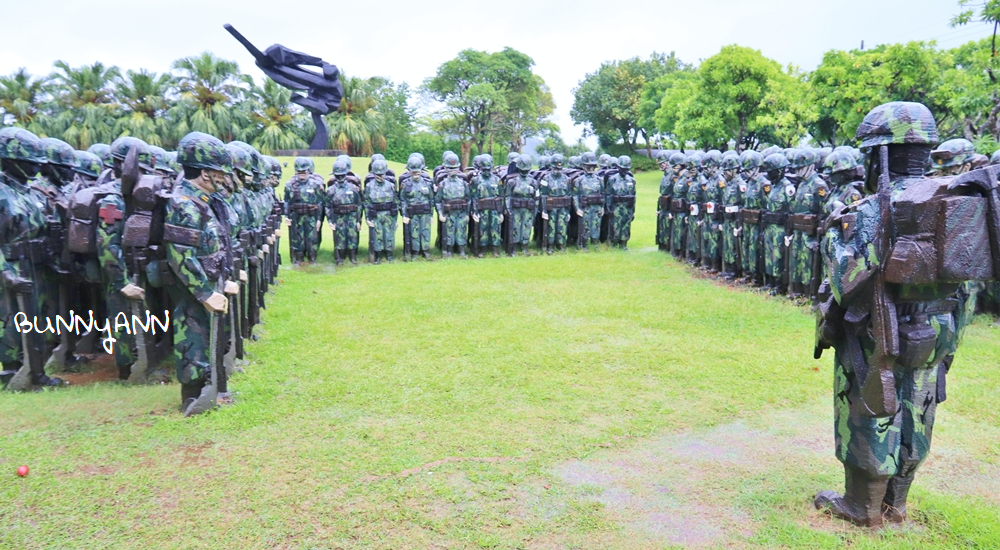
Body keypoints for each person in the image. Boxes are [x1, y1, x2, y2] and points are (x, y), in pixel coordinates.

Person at [814, 101, 996, 527]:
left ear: (878, 153)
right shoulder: (955, 200)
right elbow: (969, 281)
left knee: (868, 409)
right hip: (940, 328)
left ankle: (862, 507)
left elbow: (846, 280)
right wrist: (952, 338)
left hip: (879, 331)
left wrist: (833, 240)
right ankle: (897, 506)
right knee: (918, 408)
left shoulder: (871, 209)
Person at [162, 132, 234, 415]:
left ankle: (209, 392)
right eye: (219, 173)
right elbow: (180, 255)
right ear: (205, 173)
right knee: (192, 337)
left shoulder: (203, 201)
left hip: (209, 281)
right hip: (194, 288)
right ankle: (192, 399)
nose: (224, 178)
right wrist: (204, 293)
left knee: (206, 338)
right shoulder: (184, 204)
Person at [0, 128, 65, 389]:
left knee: (36, 320)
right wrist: (6, 274)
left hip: (36, 265)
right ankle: (12, 372)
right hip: (12, 265)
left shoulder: (32, 192)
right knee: (11, 319)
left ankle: (36, 371)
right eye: (30, 161)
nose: (36, 166)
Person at [787, 149, 828, 300]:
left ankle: (809, 293)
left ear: (810, 166)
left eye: (800, 167)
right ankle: (798, 291)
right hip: (799, 228)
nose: (798, 171)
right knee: (797, 259)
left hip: (810, 231)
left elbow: (824, 211)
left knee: (808, 262)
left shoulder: (818, 185)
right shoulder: (802, 184)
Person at [760, 153, 793, 294]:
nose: (768, 174)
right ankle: (771, 282)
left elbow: (791, 210)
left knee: (778, 255)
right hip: (769, 227)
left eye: (771, 171)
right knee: (769, 254)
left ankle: (779, 285)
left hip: (780, 228)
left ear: (779, 170)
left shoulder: (787, 187)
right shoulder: (773, 186)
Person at [284, 157, 324, 264]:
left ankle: (312, 258)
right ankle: (299, 259)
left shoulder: (315, 184)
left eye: (304, 171)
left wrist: (319, 219)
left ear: (308, 171)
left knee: (312, 238)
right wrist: (286, 216)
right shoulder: (289, 185)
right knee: (297, 238)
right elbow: (286, 201)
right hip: (296, 217)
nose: (302, 174)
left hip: (311, 216)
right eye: (299, 172)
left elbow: (320, 202)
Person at [325, 159, 362, 265]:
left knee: (352, 237)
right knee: (339, 238)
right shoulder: (331, 190)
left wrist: (358, 220)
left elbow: (359, 204)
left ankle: (353, 257)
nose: (340, 177)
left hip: (351, 217)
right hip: (338, 217)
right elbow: (327, 206)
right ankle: (339, 258)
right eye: (338, 175)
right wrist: (330, 221)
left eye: (342, 175)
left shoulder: (353, 188)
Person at [738, 150, 766, 285]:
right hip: (748, 221)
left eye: (749, 169)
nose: (746, 173)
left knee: (755, 249)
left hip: (758, 223)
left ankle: (756, 277)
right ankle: (748, 273)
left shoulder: (763, 184)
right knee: (747, 247)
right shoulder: (749, 183)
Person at [363, 159, 399, 263]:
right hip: (376, 215)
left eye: (382, 174)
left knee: (389, 235)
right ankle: (378, 256)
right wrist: (368, 218)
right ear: (374, 174)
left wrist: (395, 219)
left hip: (388, 215)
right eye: (378, 174)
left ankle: (389, 254)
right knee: (377, 235)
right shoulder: (369, 186)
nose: (380, 176)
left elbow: (396, 202)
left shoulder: (391, 186)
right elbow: (366, 203)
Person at [470, 154, 503, 257]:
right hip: (482, 209)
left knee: (495, 228)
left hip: (495, 209)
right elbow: (474, 197)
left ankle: (496, 250)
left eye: (489, 169)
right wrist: (474, 211)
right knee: (483, 229)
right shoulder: (476, 180)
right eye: (484, 169)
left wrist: (501, 212)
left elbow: (502, 196)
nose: (487, 172)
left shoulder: (498, 180)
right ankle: (482, 249)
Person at [539, 154, 573, 254]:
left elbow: (569, 195)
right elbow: (543, 195)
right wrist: (543, 210)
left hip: (563, 207)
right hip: (551, 207)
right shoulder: (545, 179)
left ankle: (562, 245)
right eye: (555, 168)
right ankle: (550, 246)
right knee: (551, 226)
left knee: (562, 226)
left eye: (559, 168)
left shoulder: (566, 179)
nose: (557, 170)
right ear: (551, 167)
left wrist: (568, 211)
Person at [720, 151, 745, 279]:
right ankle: (728, 268)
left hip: (735, 220)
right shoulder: (728, 184)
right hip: (727, 219)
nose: (725, 173)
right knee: (727, 244)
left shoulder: (740, 184)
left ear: (734, 170)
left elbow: (744, 204)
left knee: (735, 246)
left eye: (727, 170)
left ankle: (735, 270)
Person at [507, 154, 539, 255]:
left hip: (528, 209)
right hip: (516, 209)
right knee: (515, 227)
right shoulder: (512, 182)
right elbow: (508, 196)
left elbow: (536, 197)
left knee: (527, 227)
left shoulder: (533, 182)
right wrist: (508, 209)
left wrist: (535, 209)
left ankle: (525, 247)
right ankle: (514, 248)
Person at [573, 153, 604, 250]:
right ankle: (584, 244)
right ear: (583, 166)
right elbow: (574, 195)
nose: (591, 168)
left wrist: (602, 207)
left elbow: (603, 194)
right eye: (588, 166)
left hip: (597, 207)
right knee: (584, 226)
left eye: (593, 166)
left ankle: (595, 243)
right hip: (584, 207)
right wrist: (577, 208)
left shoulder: (599, 180)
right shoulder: (579, 180)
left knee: (596, 225)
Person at [605, 155, 637, 250]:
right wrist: (608, 208)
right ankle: (614, 244)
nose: (625, 171)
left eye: (627, 169)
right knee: (615, 225)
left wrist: (633, 211)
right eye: (623, 169)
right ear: (618, 168)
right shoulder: (612, 179)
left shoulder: (631, 180)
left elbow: (634, 196)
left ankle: (624, 244)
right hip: (616, 206)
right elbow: (608, 195)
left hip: (627, 206)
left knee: (626, 225)